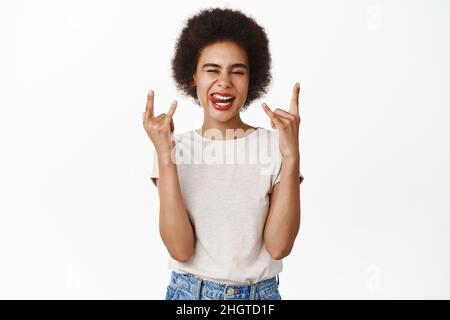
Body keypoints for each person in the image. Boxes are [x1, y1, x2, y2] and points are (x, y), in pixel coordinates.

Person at [142, 7, 304, 300]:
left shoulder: (275, 146)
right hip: (191, 296)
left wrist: (292, 157)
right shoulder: (173, 148)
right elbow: (180, 249)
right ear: (193, 76)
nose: (225, 82)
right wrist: (165, 157)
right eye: (212, 70)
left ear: (251, 79)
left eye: (237, 71)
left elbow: (279, 246)